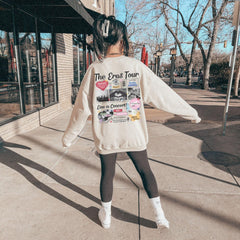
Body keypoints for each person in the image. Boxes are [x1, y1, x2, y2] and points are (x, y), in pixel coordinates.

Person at [62, 14, 201, 230]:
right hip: (134, 133)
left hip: (107, 134)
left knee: (107, 174)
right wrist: (190, 112)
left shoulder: (94, 69)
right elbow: (163, 95)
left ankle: (106, 217)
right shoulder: (136, 66)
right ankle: (159, 216)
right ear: (122, 40)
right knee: (145, 171)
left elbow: (81, 108)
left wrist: (69, 137)